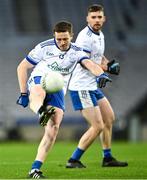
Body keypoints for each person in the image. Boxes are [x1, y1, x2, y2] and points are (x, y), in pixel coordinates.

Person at [16, 21, 111, 178]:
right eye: (58, 39)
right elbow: (22, 67)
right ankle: (41, 111)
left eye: (65, 39)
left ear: (71, 36)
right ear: (54, 36)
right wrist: (23, 93)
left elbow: (89, 63)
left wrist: (100, 74)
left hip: (58, 86)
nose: (61, 42)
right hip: (41, 78)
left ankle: (34, 170)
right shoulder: (44, 47)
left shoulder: (76, 51)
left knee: (53, 129)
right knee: (38, 93)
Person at [66, 4, 128, 168]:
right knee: (98, 125)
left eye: (99, 17)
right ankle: (73, 160)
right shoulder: (84, 37)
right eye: (93, 17)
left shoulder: (99, 35)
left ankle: (107, 158)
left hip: (91, 86)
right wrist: (101, 72)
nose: (97, 20)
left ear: (104, 19)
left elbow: (98, 57)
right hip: (81, 87)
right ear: (87, 19)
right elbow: (85, 62)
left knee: (109, 119)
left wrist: (108, 66)